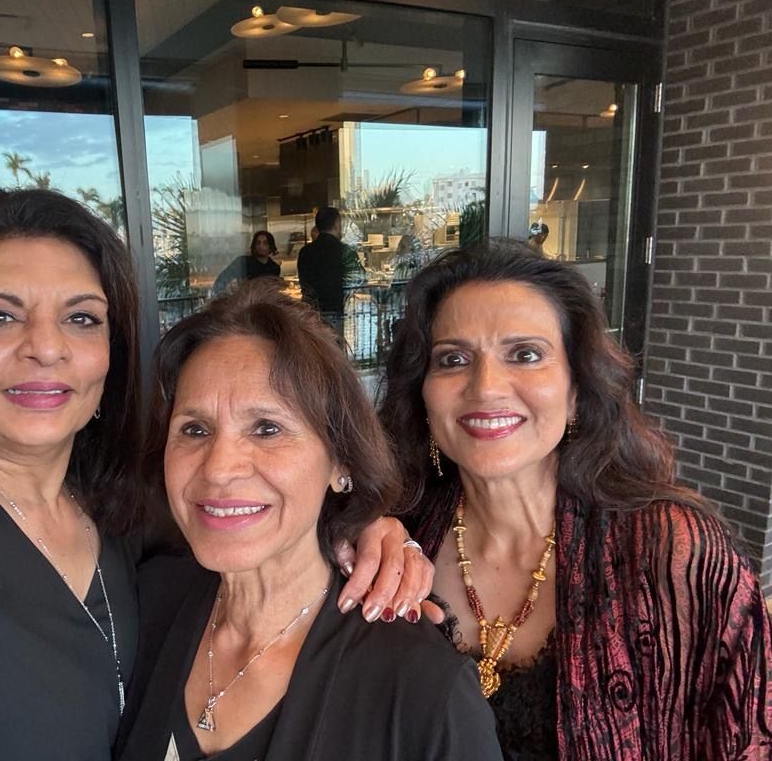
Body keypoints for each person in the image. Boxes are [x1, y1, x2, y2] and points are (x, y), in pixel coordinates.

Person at [0, 189, 433, 760]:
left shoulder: (128, 510)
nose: (45, 347)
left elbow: (257, 509)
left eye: (80, 318)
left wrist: (361, 522)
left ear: (110, 355)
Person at [379, 240, 772, 759]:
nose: (486, 387)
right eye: (453, 359)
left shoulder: (670, 552)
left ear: (575, 391)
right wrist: (360, 525)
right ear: (423, 393)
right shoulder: (397, 539)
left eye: (526, 354)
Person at [117, 281, 502, 760]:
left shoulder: (423, 688)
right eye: (194, 430)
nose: (218, 468)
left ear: (341, 462)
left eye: (267, 428)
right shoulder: (146, 603)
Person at [296, 207, 363, 331]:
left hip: (311, 313)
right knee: (334, 348)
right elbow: (360, 279)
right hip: (336, 312)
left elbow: (303, 281)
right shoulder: (345, 251)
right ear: (337, 224)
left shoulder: (305, 252)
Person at [212, 230, 281, 295]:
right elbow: (221, 280)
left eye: (265, 243)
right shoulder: (243, 261)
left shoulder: (274, 268)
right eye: (258, 243)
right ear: (254, 246)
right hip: (244, 303)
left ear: (271, 246)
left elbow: (274, 291)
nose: (261, 246)